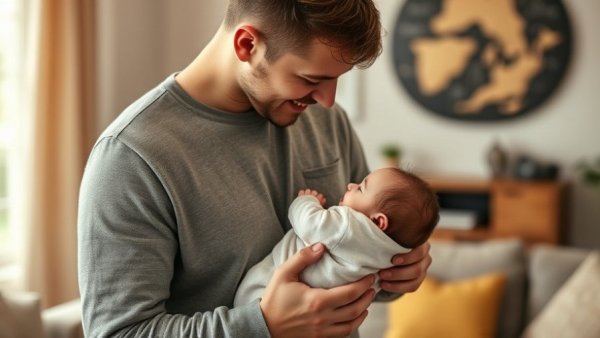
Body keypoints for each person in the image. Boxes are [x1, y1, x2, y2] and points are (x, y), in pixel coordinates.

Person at [77, 1, 433, 337]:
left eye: (337, 79)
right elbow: (120, 332)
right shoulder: (131, 158)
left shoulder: (328, 122)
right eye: (311, 79)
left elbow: (354, 265)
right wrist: (262, 326)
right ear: (248, 44)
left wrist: (398, 268)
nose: (327, 100)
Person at [234, 167, 440, 307]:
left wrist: (306, 201)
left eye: (360, 188)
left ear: (378, 222)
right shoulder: (390, 255)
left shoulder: (348, 226)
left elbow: (309, 224)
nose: (350, 185)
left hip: (262, 296)